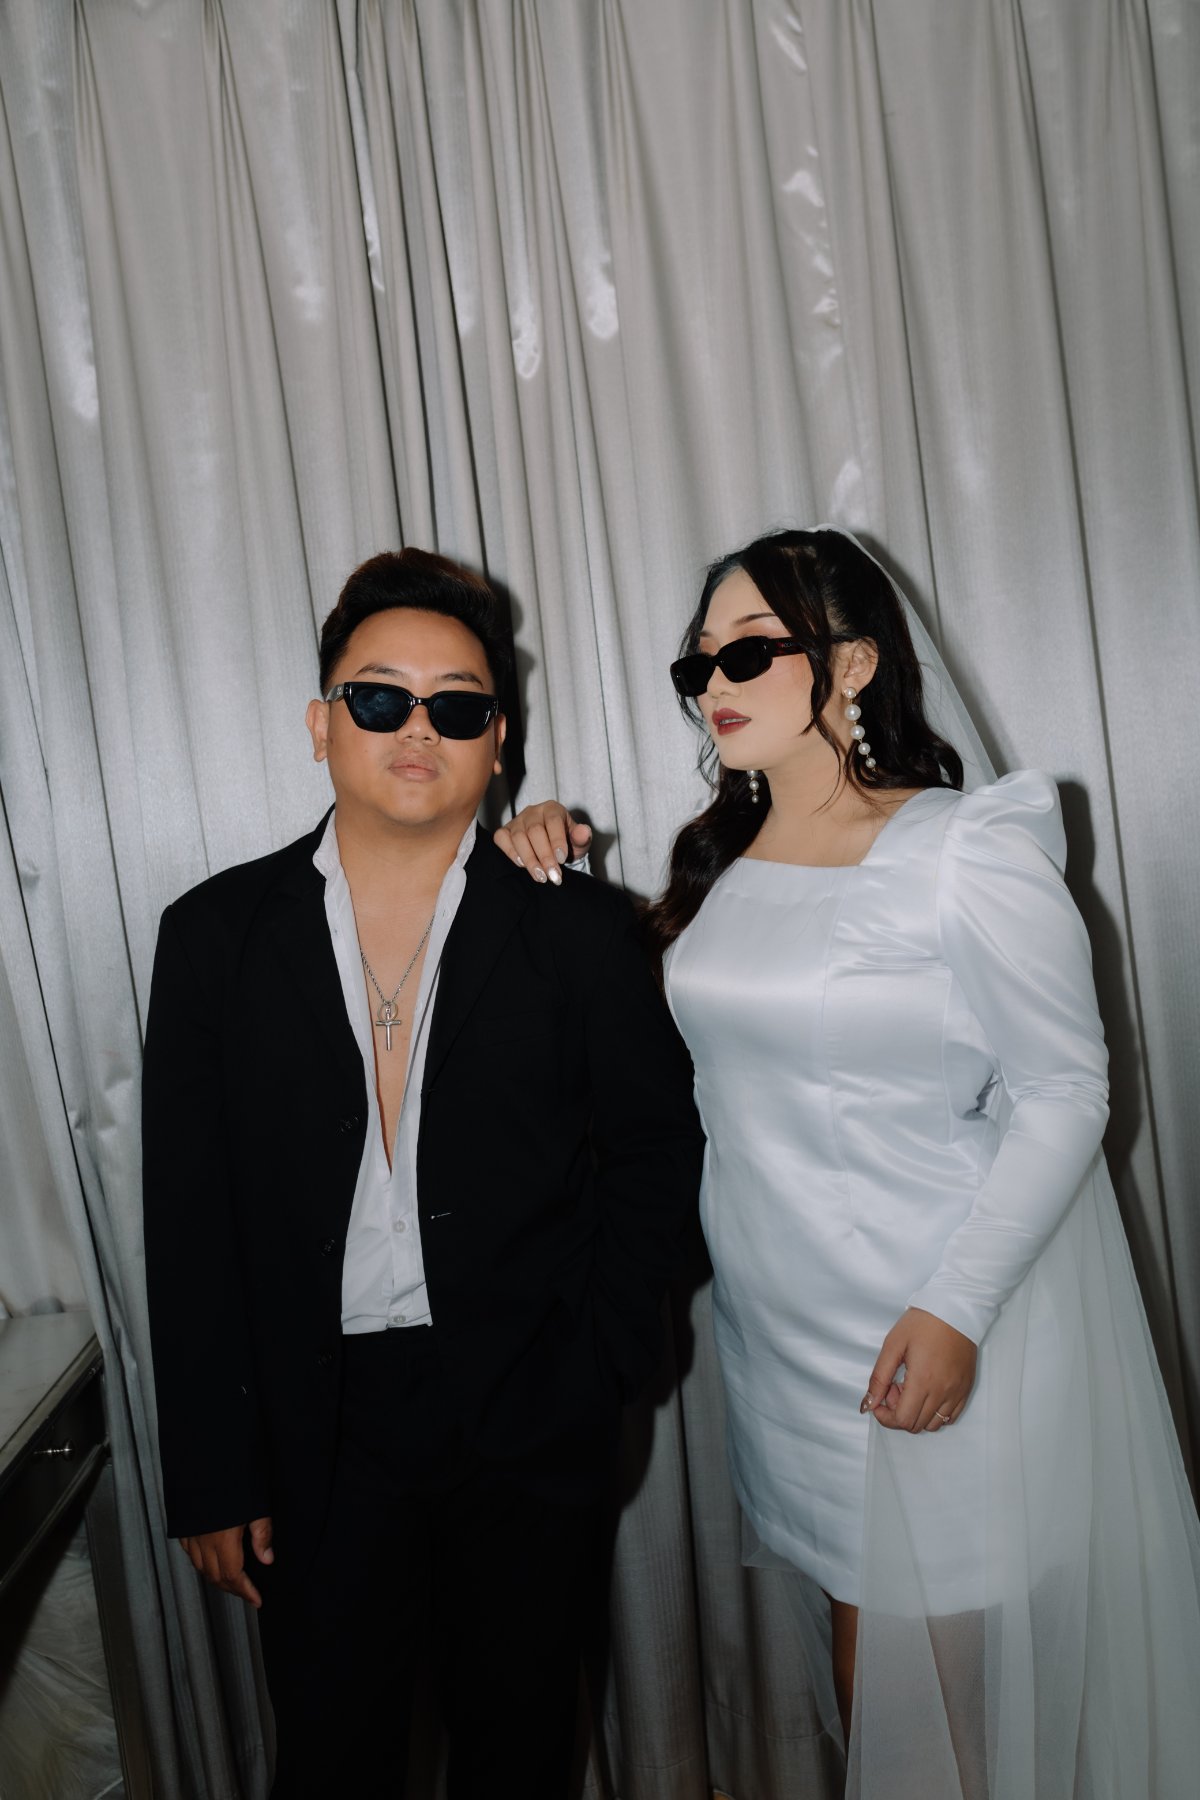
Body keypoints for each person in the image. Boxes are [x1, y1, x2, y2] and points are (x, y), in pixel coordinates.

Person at [497, 526, 1200, 1799]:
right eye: (699, 662)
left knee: (934, 1725)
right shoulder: (722, 861)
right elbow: (681, 1059)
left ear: (856, 662)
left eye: (750, 652)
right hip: (783, 1344)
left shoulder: (964, 847)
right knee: (877, 1700)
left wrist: (956, 1310)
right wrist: (548, 869)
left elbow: (1065, 1092)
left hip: (934, 1325)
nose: (713, 684)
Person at [141, 549, 704, 1799]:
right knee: (332, 1763)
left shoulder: (577, 930)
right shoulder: (215, 937)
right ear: (321, 724)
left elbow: (658, 1156)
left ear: (496, 742)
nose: (416, 729)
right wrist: (211, 1470)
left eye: (456, 706)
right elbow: (188, 1223)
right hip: (313, 1432)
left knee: (522, 1758)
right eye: (379, 697)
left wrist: (602, 1362)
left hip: (529, 1413)